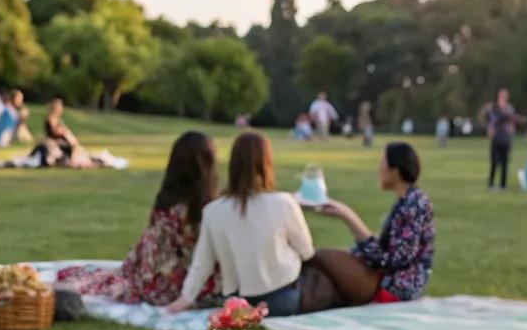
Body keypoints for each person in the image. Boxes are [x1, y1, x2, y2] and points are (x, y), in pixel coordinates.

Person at [57, 132, 220, 305]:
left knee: (98, 279)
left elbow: (153, 256)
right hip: (197, 287)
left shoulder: (168, 206)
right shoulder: (210, 208)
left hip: (164, 284)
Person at [166, 131, 313, 317]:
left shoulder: (213, 211)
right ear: (266, 163)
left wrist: (184, 300)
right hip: (283, 298)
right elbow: (307, 252)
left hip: (238, 301)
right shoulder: (284, 203)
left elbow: (202, 264)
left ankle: (255, 312)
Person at [301, 142, 434, 309]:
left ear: (395, 171)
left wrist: (348, 216)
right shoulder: (408, 200)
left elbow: (392, 261)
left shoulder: (415, 204)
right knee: (322, 268)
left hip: (395, 286)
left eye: (383, 165)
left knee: (316, 256)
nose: (379, 170)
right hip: (384, 277)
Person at [484, 87, 526, 189]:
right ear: (498, 97)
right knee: (494, 161)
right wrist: (489, 129)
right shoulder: (493, 108)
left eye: (505, 96)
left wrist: (512, 129)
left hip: (506, 138)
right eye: (501, 96)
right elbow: (489, 121)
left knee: (505, 162)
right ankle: (491, 183)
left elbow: (512, 120)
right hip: (496, 138)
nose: (503, 98)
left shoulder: (509, 108)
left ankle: (502, 185)